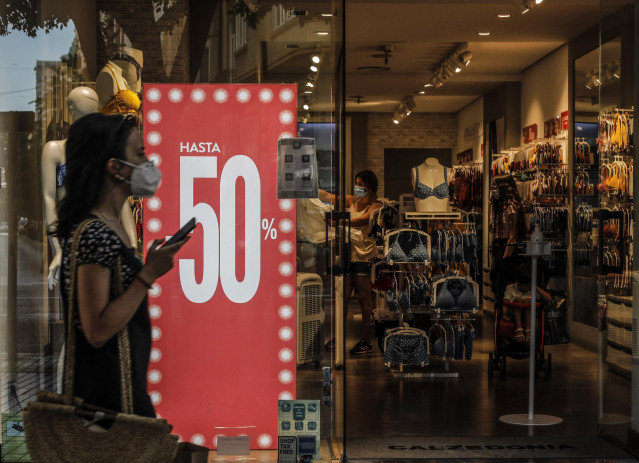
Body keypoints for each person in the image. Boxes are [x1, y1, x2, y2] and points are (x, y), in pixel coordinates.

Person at [52, 113, 189, 417]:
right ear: (114, 167)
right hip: (107, 406)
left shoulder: (109, 226)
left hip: (120, 395)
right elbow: (97, 329)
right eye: (139, 154)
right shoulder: (95, 233)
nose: (147, 163)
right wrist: (149, 273)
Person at [319, 170, 382, 354]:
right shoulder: (351, 200)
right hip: (348, 253)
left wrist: (338, 221)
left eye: (360, 183)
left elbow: (362, 220)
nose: (357, 187)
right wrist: (310, 188)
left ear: (369, 186)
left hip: (364, 255)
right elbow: (330, 197)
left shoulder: (375, 206)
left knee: (364, 300)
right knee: (343, 298)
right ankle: (337, 338)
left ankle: (366, 340)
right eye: (356, 182)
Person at [502, 266, 551, 344]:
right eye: (520, 286)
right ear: (516, 281)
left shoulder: (533, 289)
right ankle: (519, 330)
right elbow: (505, 302)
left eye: (527, 286)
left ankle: (528, 331)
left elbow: (549, 299)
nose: (524, 288)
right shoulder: (510, 288)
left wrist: (536, 288)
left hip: (529, 315)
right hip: (512, 314)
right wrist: (504, 314)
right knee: (518, 300)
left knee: (528, 301)